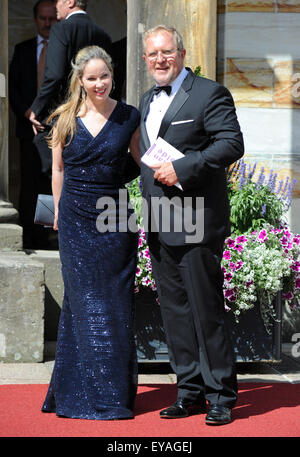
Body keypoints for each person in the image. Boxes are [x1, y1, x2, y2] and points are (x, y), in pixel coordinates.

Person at [139, 25, 244, 425]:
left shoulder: (208, 93)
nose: (160, 60)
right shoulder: (148, 98)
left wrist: (182, 168)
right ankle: (189, 392)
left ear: (181, 53)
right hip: (161, 220)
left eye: (167, 52)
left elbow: (231, 143)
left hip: (198, 218)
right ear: (146, 60)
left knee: (206, 310)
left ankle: (221, 395)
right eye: (152, 55)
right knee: (176, 312)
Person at [41, 45, 140, 420]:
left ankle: (113, 392)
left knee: (115, 303)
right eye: (91, 78)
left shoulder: (129, 116)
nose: (99, 83)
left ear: (112, 76)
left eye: (104, 76)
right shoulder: (64, 117)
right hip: (75, 220)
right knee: (81, 302)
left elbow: (142, 161)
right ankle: (77, 391)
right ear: (79, 81)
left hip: (115, 218)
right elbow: (58, 170)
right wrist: (57, 214)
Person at [27, 0, 112, 175]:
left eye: (58, 1)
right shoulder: (103, 34)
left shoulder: (60, 29)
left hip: (64, 117)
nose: (55, 5)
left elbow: (55, 74)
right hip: (96, 116)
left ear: (70, 2)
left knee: (55, 173)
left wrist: (37, 108)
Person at [9, 0, 57, 249]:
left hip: (57, 130)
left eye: (52, 19)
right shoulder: (23, 49)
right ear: (35, 19)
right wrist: (26, 113)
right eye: (43, 19)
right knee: (29, 184)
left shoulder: (63, 50)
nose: (47, 24)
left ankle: (47, 237)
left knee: (52, 184)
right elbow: (12, 89)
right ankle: (29, 236)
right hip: (28, 129)